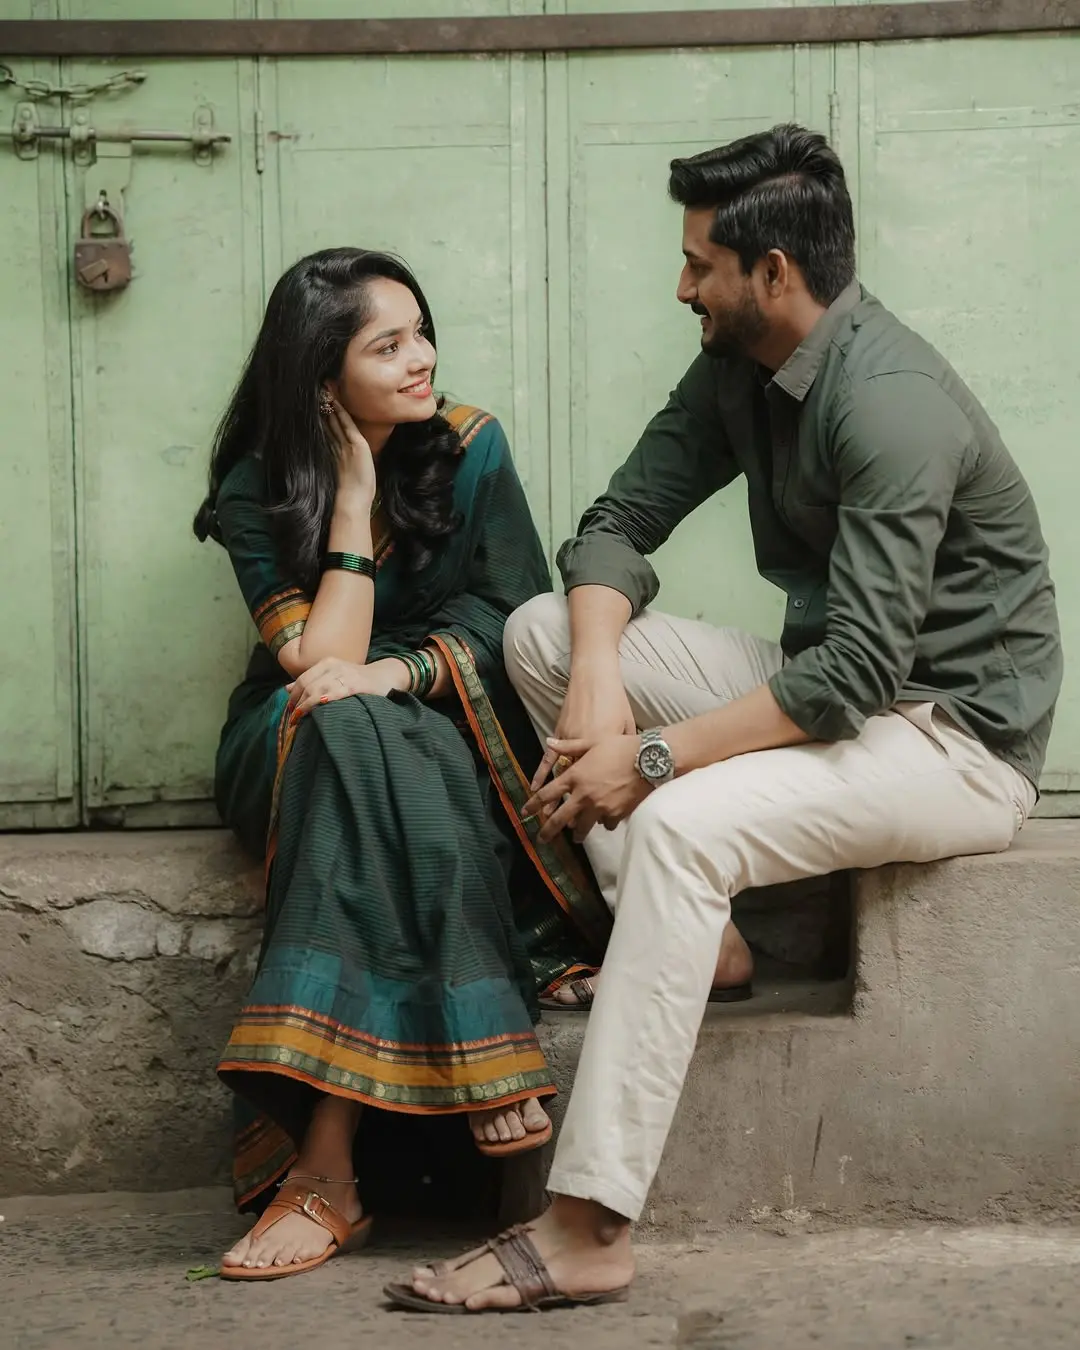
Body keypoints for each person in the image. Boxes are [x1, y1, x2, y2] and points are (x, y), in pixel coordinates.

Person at [387, 123, 1062, 1312]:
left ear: (774, 275)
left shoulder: (890, 402)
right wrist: (597, 677)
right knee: (543, 632)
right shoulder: (737, 369)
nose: (681, 283)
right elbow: (612, 524)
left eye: (700, 262)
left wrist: (648, 760)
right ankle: (718, 947)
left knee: (690, 825)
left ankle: (590, 1228)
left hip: (949, 740)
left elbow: (856, 673)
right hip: (839, 687)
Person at [193, 248, 609, 1281]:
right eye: (388, 346)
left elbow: (506, 621)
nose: (421, 360)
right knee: (345, 729)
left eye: (422, 333)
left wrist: (397, 678)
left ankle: (324, 1174)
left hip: (430, 713)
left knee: (374, 737)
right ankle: (489, 1055)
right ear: (320, 376)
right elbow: (317, 662)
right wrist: (349, 500)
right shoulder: (256, 485)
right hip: (288, 733)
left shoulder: (471, 448)